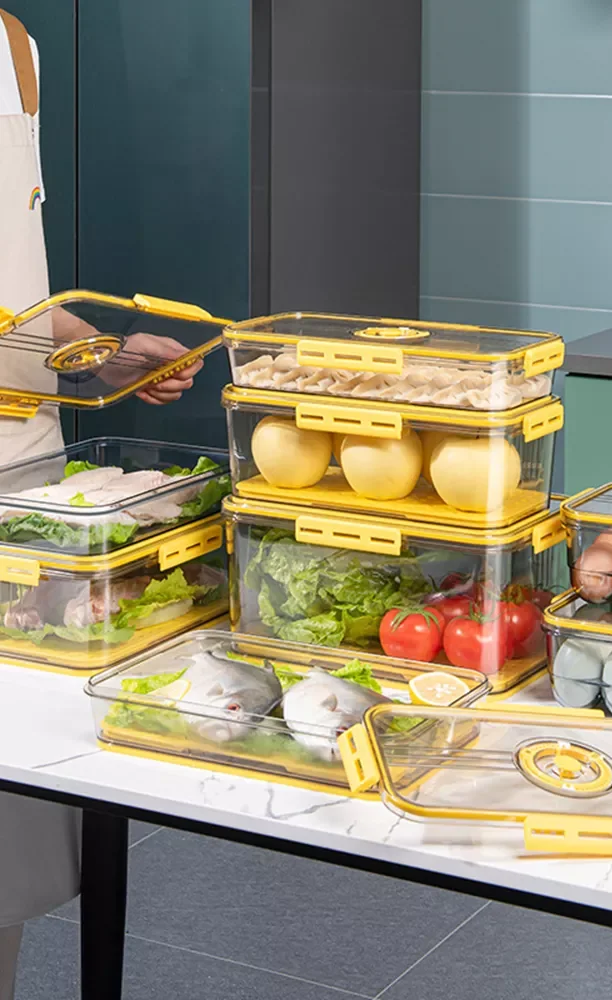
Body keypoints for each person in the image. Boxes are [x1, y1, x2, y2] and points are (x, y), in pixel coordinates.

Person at [0, 10, 201, 995]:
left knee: (5, 855)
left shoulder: (14, 50)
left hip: (25, 493)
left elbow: (16, 291)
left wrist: (96, 355)